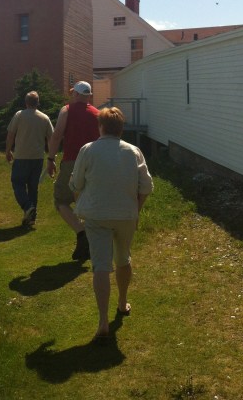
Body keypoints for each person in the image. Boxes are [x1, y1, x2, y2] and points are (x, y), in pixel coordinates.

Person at [69, 106, 153, 341]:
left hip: (96, 215)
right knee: (123, 258)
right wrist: (136, 210)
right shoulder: (133, 151)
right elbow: (146, 187)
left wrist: (80, 202)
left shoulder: (88, 150)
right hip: (126, 215)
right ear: (121, 128)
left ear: (101, 126)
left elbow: (75, 183)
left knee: (101, 266)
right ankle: (122, 301)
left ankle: (103, 321)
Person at [46, 81, 100, 260]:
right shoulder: (98, 114)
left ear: (76, 94)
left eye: (72, 93)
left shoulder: (66, 110)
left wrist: (51, 158)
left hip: (72, 162)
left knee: (61, 200)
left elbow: (57, 134)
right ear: (89, 96)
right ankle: (92, 242)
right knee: (89, 201)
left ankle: (81, 233)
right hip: (94, 163)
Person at [6, 91, 54, 227]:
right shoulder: (45, 118)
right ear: (38, 103)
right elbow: (51, 138)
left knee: (17, 183)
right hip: (37, 158)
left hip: (21, 156)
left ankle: (27, 207)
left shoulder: (19, 115)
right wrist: (51, 156)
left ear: (26, 102)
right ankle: (32, 218)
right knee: (33, 188)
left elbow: (11, 134)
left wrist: (8, 150)